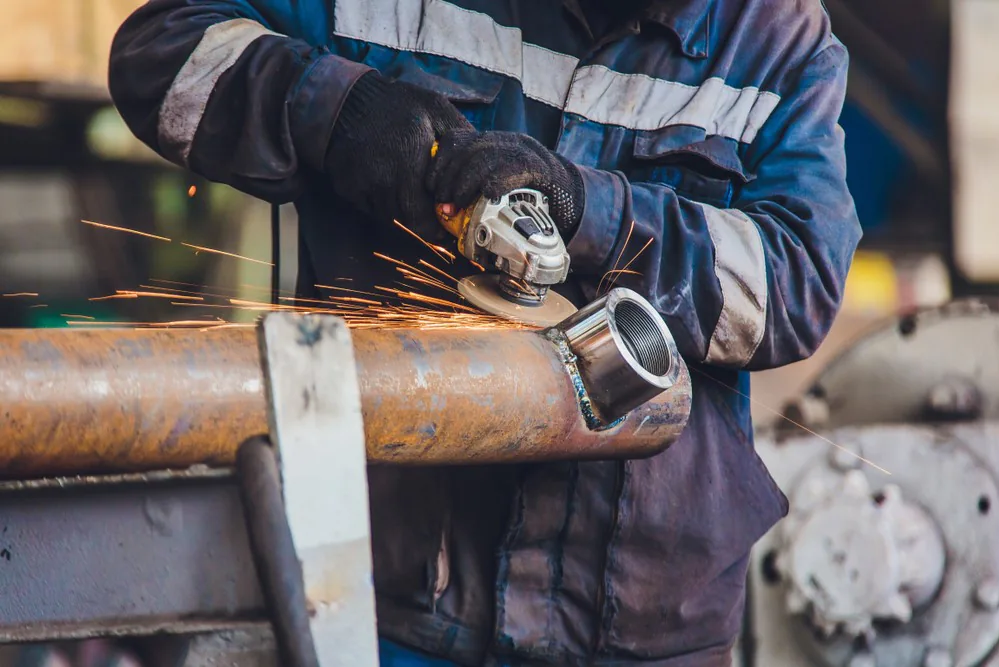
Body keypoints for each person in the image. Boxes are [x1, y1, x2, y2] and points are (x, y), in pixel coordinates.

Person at [108, 1, 861, 665]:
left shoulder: (780, 40)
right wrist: (338, 113)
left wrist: (585, 210)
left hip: (643, 625)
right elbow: (161, 54)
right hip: (387, 597)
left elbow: (795, 283)